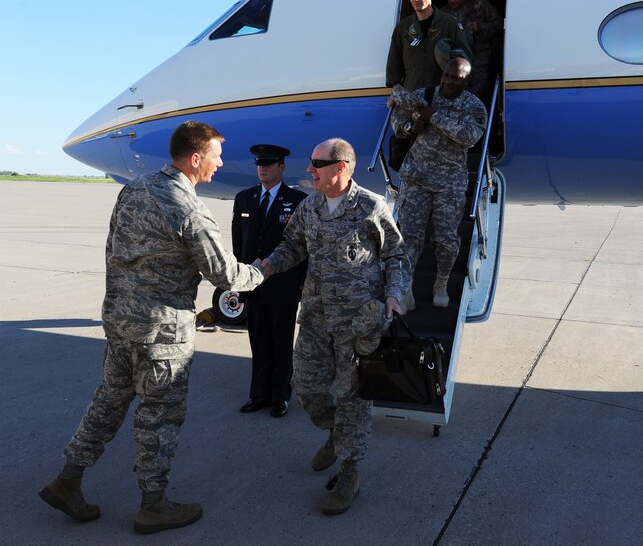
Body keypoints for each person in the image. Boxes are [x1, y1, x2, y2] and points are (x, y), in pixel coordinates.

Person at [38, 121, 266, 535]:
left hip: (122, 321)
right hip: (163, 332)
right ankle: (153, 505)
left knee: (109, 400)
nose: (219, 164)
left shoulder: (135, 188)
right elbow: (224, 274)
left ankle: (68, 479)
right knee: (159, 416)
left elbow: (113, 249)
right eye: (215, 156)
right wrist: (261, 272)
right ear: (195, 159)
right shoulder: (188, 207)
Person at [260, 138, 405, 516]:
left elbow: (396, 254)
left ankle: (349, 472)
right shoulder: (310, 207)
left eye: (316, 164)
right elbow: (292, 246)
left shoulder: (370, 206)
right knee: (305, 386)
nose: (310, 170)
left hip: (358, 325)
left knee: (353, 399)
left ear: (341, 167)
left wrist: (394, 295)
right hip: (315, 318)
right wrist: (268, 266)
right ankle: (335, 435)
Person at [390, 58, 487, 308]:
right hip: (416, 178)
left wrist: (434, 117)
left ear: (466, 81)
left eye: (456, 78)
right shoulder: (424, 94)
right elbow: (398, 123)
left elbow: (469, 137)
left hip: (449, 183)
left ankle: (441, 281)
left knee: (446, 240)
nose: (448, 81)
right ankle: (406, 287)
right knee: (409, 236)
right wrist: (412, 126)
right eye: (446, 75)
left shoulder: (473, 106)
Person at [233, 144, 308, 418]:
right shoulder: (245, 198)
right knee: (259, 341)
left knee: (281, 342)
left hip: (284, 285)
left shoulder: (298, 200)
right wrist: (239, 280)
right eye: (259, 164)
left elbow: (304, 246)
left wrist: (302, 282)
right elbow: (239, 243)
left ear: (282, 167)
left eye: (269, 163)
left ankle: (280, 396)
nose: (262, 168)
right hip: (253, 286)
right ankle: (258, 394)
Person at [386, 0, 473, 92]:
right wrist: (396, 94)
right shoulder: (403, 28)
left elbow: (464, 60)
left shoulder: (449, 23)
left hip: (443, 97)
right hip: (413, 98)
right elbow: (393, 66)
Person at [442, 0, 503, 102]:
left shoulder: (479, 4)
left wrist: (481, 28)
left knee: (476, 91)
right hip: (455, 59)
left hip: (479, 56)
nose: (452, 0)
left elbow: (499, 24)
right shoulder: (443, 13)